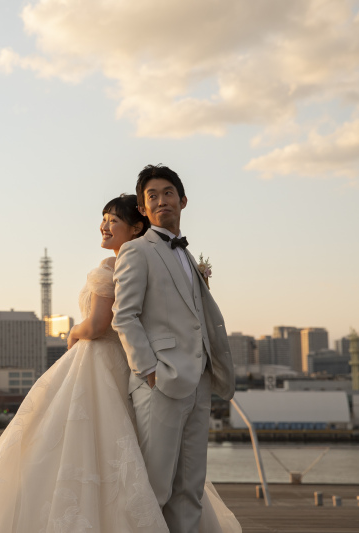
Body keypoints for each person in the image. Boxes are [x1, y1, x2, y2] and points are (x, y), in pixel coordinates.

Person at [0, 193, 240, 532]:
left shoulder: (112, 266)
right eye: (104, 219)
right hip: (126, 364)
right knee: (136, 455)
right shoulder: (146, 264)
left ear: (137, 227)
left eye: (114, 221)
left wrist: (72, 333)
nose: (105, 226)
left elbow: (98, 325)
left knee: (75, 450)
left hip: (99, 362)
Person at [113, 165, 236, 533]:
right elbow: (125, 316)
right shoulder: (137, 251)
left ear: (182, 201)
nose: (161, 200)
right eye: (152, 195)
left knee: (190, 488)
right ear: (142, 206)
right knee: (154, 487)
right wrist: (150, 371)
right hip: (161, 382)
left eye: (168, 193)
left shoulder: (187, 255)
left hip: (198, 383)